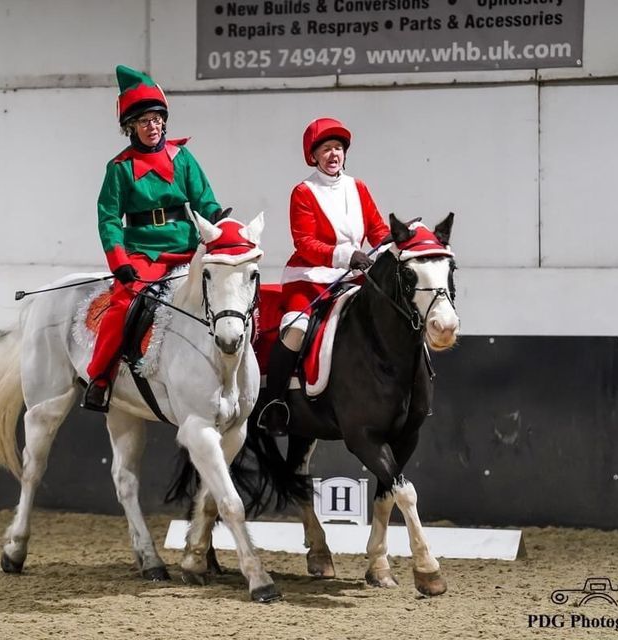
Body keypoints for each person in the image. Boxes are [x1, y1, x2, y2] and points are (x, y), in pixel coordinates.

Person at [83, 65, 225, 412]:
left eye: (157, 119)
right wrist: (120, 263)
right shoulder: (119, 168)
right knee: (121, 306)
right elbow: (109, 219)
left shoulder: (183, 158)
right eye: (144, 121)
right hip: (144, 253)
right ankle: (100, 378)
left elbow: (205, 200)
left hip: (188, 247)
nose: (153, 127)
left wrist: (218, 222)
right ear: (130, 127)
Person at [256, 117, 391, 435]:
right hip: (309, 276)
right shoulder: (303, 192)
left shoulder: (358, 187)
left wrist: (389, 247)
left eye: (339, 148)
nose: (334, 154)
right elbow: (305, 243)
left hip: (353, 277)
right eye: (327, 149)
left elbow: (377, 229)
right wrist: (346, 255)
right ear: (314, 156)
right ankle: (275, 403)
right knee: (296, 329)